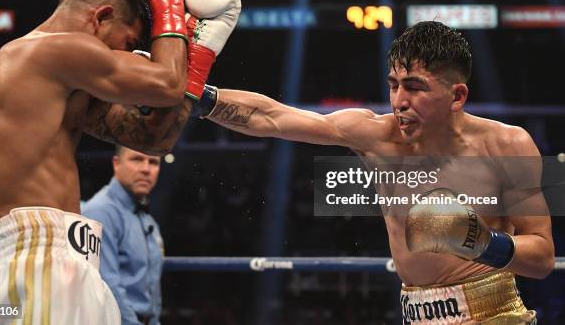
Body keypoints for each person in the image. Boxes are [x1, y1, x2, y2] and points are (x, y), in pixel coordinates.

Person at [198, 21, 554, 324]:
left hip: (495, 316)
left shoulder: (507, 144)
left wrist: (480, 242)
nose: (399, 101)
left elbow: (542, 258)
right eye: (394, 85)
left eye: (415, 87)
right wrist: (196, 95)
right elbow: (273, 117)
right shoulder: (376, 137)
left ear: (457, 96)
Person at [0, 0, 240, 325]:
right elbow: (166, 82)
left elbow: (153, 138)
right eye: (128, 44)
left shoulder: (55, 90)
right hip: (37, 267)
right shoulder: (48, 51)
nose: (127, 57)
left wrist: (200, 52)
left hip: (48, 265)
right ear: (101, 18)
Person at [83, 146, 165, 325]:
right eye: (137, 159)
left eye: (153, 162)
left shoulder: (148, 220)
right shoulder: (100, 211)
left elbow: (153, 291)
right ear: (116, 163)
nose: (146, 169)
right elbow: (107, 287)